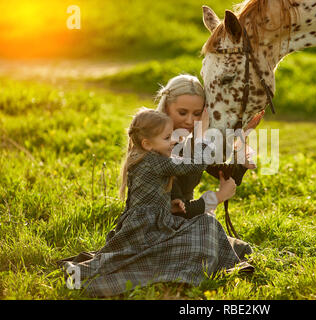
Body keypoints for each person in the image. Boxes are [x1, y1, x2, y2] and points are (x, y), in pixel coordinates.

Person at [57, 108, 252, 297]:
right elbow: (193, 165)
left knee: (206, 223)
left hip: (152, 220)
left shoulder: (142, 156)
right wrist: (201, 136)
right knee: (206, 225)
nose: (174, 140)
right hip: (148, 228)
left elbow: (148, 196)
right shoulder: (153, 161)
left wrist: (167, 206)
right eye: (167, 138)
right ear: (147, 144)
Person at [155, 74, 263, 259]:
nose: (190, 121)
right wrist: (219, 196)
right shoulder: (161, 150)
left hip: (185, 221)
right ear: (166, 107)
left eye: (197, 114)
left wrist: (243, 134)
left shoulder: (189, 143)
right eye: (182, 113)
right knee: (211, 234)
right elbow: (179, 210)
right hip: (162, 227)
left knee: (241, 250)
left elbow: (228, 177)